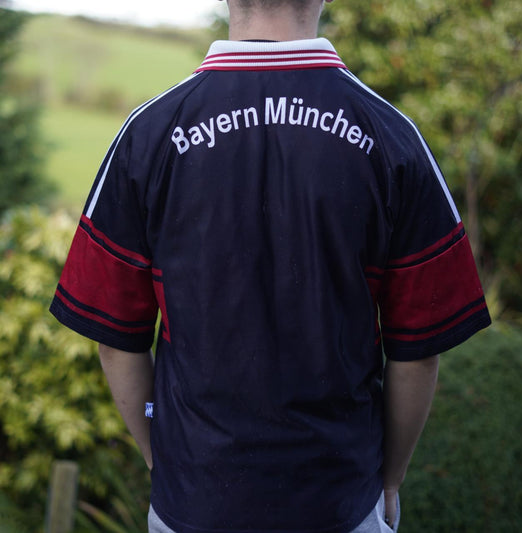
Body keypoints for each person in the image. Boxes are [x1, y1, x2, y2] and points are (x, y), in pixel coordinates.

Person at [50, 1, 491, 532]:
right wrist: (390, 481)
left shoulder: (148, 134)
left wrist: (159, 459)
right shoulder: (392, 135)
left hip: (191, 502)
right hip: (340, 502)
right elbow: (417, 354)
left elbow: (116, 338)